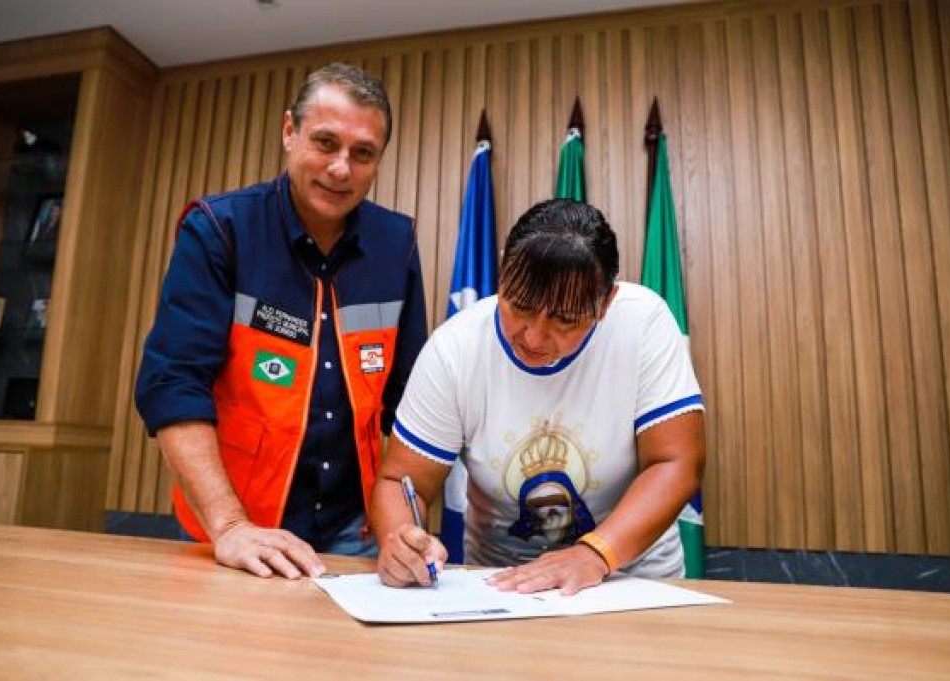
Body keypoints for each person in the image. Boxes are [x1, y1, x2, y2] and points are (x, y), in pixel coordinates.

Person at [135, 63, 428, 579]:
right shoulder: (220, 229)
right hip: (236, 529)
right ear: (289, 131)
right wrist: (229, 526)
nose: (341, 169)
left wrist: (400, 529)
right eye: (325, 142)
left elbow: (410, 405)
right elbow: (173, 383)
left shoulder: (395, 243)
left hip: (353, 530)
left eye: (363, 153)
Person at [372, 198, 705, 595]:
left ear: (605, 303)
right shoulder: (455, 348)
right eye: (520, 306)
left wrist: (594, 554)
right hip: (500, 582)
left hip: (631, 574)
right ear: (503, 272)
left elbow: (675, 462)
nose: (533, 338)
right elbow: (399, 481)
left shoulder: (642, 322)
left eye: (565, 319)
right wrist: (400, 540)